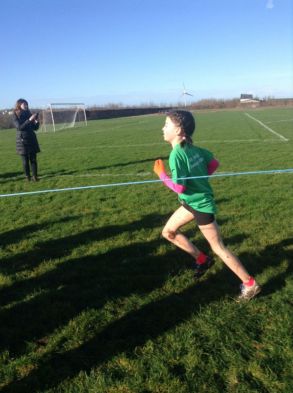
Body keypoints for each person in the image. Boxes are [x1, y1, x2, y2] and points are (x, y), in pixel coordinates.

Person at [153, 110, 261, 301]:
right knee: (168, 232)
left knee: (219, 247)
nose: (163, 128)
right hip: (190, 203)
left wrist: (162, 175)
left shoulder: (177, 154)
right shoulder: (193, 149)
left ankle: (250, 284)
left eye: (166, 124)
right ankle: (202, 260)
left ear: (178, 130)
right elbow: (213, 164)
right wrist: (200, 182)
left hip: (201, 206)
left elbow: (179, 187)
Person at [13, 98, 40, 181]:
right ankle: (27, 177)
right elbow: (19, 127)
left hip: (31, 138)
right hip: (22, 140)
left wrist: (36, 122)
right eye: (24, 104)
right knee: (25, 160)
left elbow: (35, 128)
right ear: (19, 105)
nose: (26, 106)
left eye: (26, 104)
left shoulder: (29, 113)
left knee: (33, 159)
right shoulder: (15, 114)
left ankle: (35, 177)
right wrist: (29, 120)